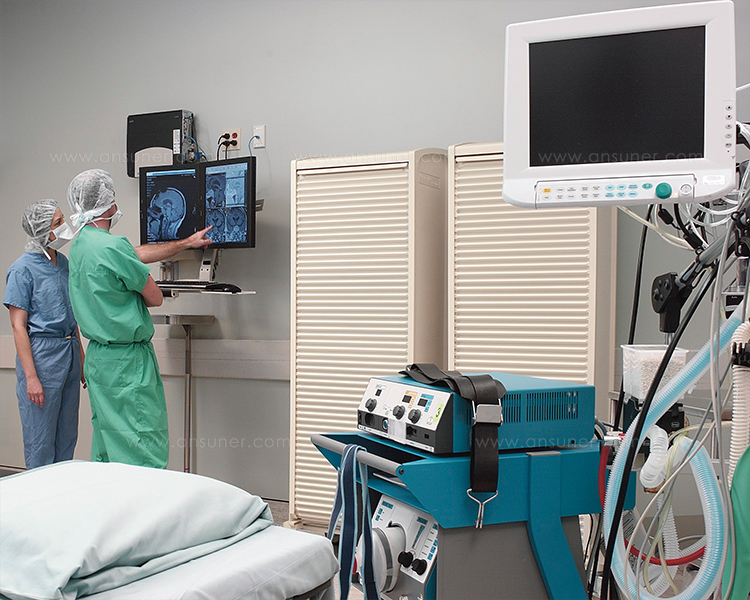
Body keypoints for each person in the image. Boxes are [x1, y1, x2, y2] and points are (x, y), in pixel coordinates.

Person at [66, 169, 211, 468]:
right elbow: (155, 297)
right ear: (106, 203)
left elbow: (132, 255)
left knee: (110, 442)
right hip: (128, 362)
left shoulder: (81, 246)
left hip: (99, 360)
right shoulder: (113, 246)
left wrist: (185, 243)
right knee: (142, 444)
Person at [4, 200, 85, 469]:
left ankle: (63, 492)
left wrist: (81, 357)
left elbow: (71, 314)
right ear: (40, 230)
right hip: (42, 358)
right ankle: (38, 492)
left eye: (62, 219)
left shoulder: (63, 263)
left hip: (69, 350)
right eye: (57, 223)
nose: (64, 226)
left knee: (67, 435)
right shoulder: (22, 270)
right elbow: (18, 326)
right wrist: (31, 378)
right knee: (40, 439)